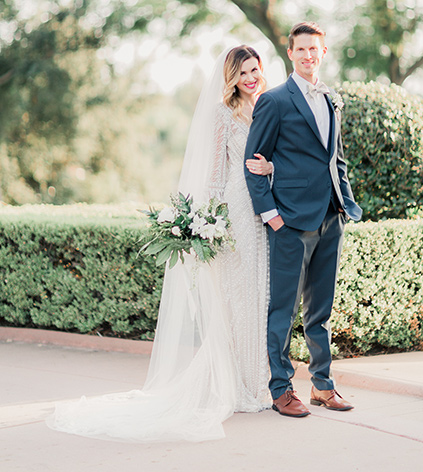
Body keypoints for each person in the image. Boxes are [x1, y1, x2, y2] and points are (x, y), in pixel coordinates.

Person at [47, 45, 271, 442]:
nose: (251, 78)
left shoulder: (267, 107)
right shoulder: (224, 114)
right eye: (243, 72)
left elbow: (278, 156)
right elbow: (217, 173)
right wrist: (212, 221)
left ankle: (259, 381)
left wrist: (270, 168)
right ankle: (239, 386)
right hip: (235, 212)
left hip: (263, 211)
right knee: (237, 298)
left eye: (255, 70)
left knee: (259, 295)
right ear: (231, 78)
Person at [244, 22, 362, 418]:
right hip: (290, 222)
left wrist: (346, 204)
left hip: (331, 216)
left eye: (315, 49)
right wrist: (272, 216)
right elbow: (253, 165)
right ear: (290, 53)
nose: (308, 56)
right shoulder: (274, 101)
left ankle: (322, 386)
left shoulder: (332, 99)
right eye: (301, 50)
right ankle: (281, 389)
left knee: (321, 310)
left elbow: (336, 159)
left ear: (323, 52)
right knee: (283, 309)